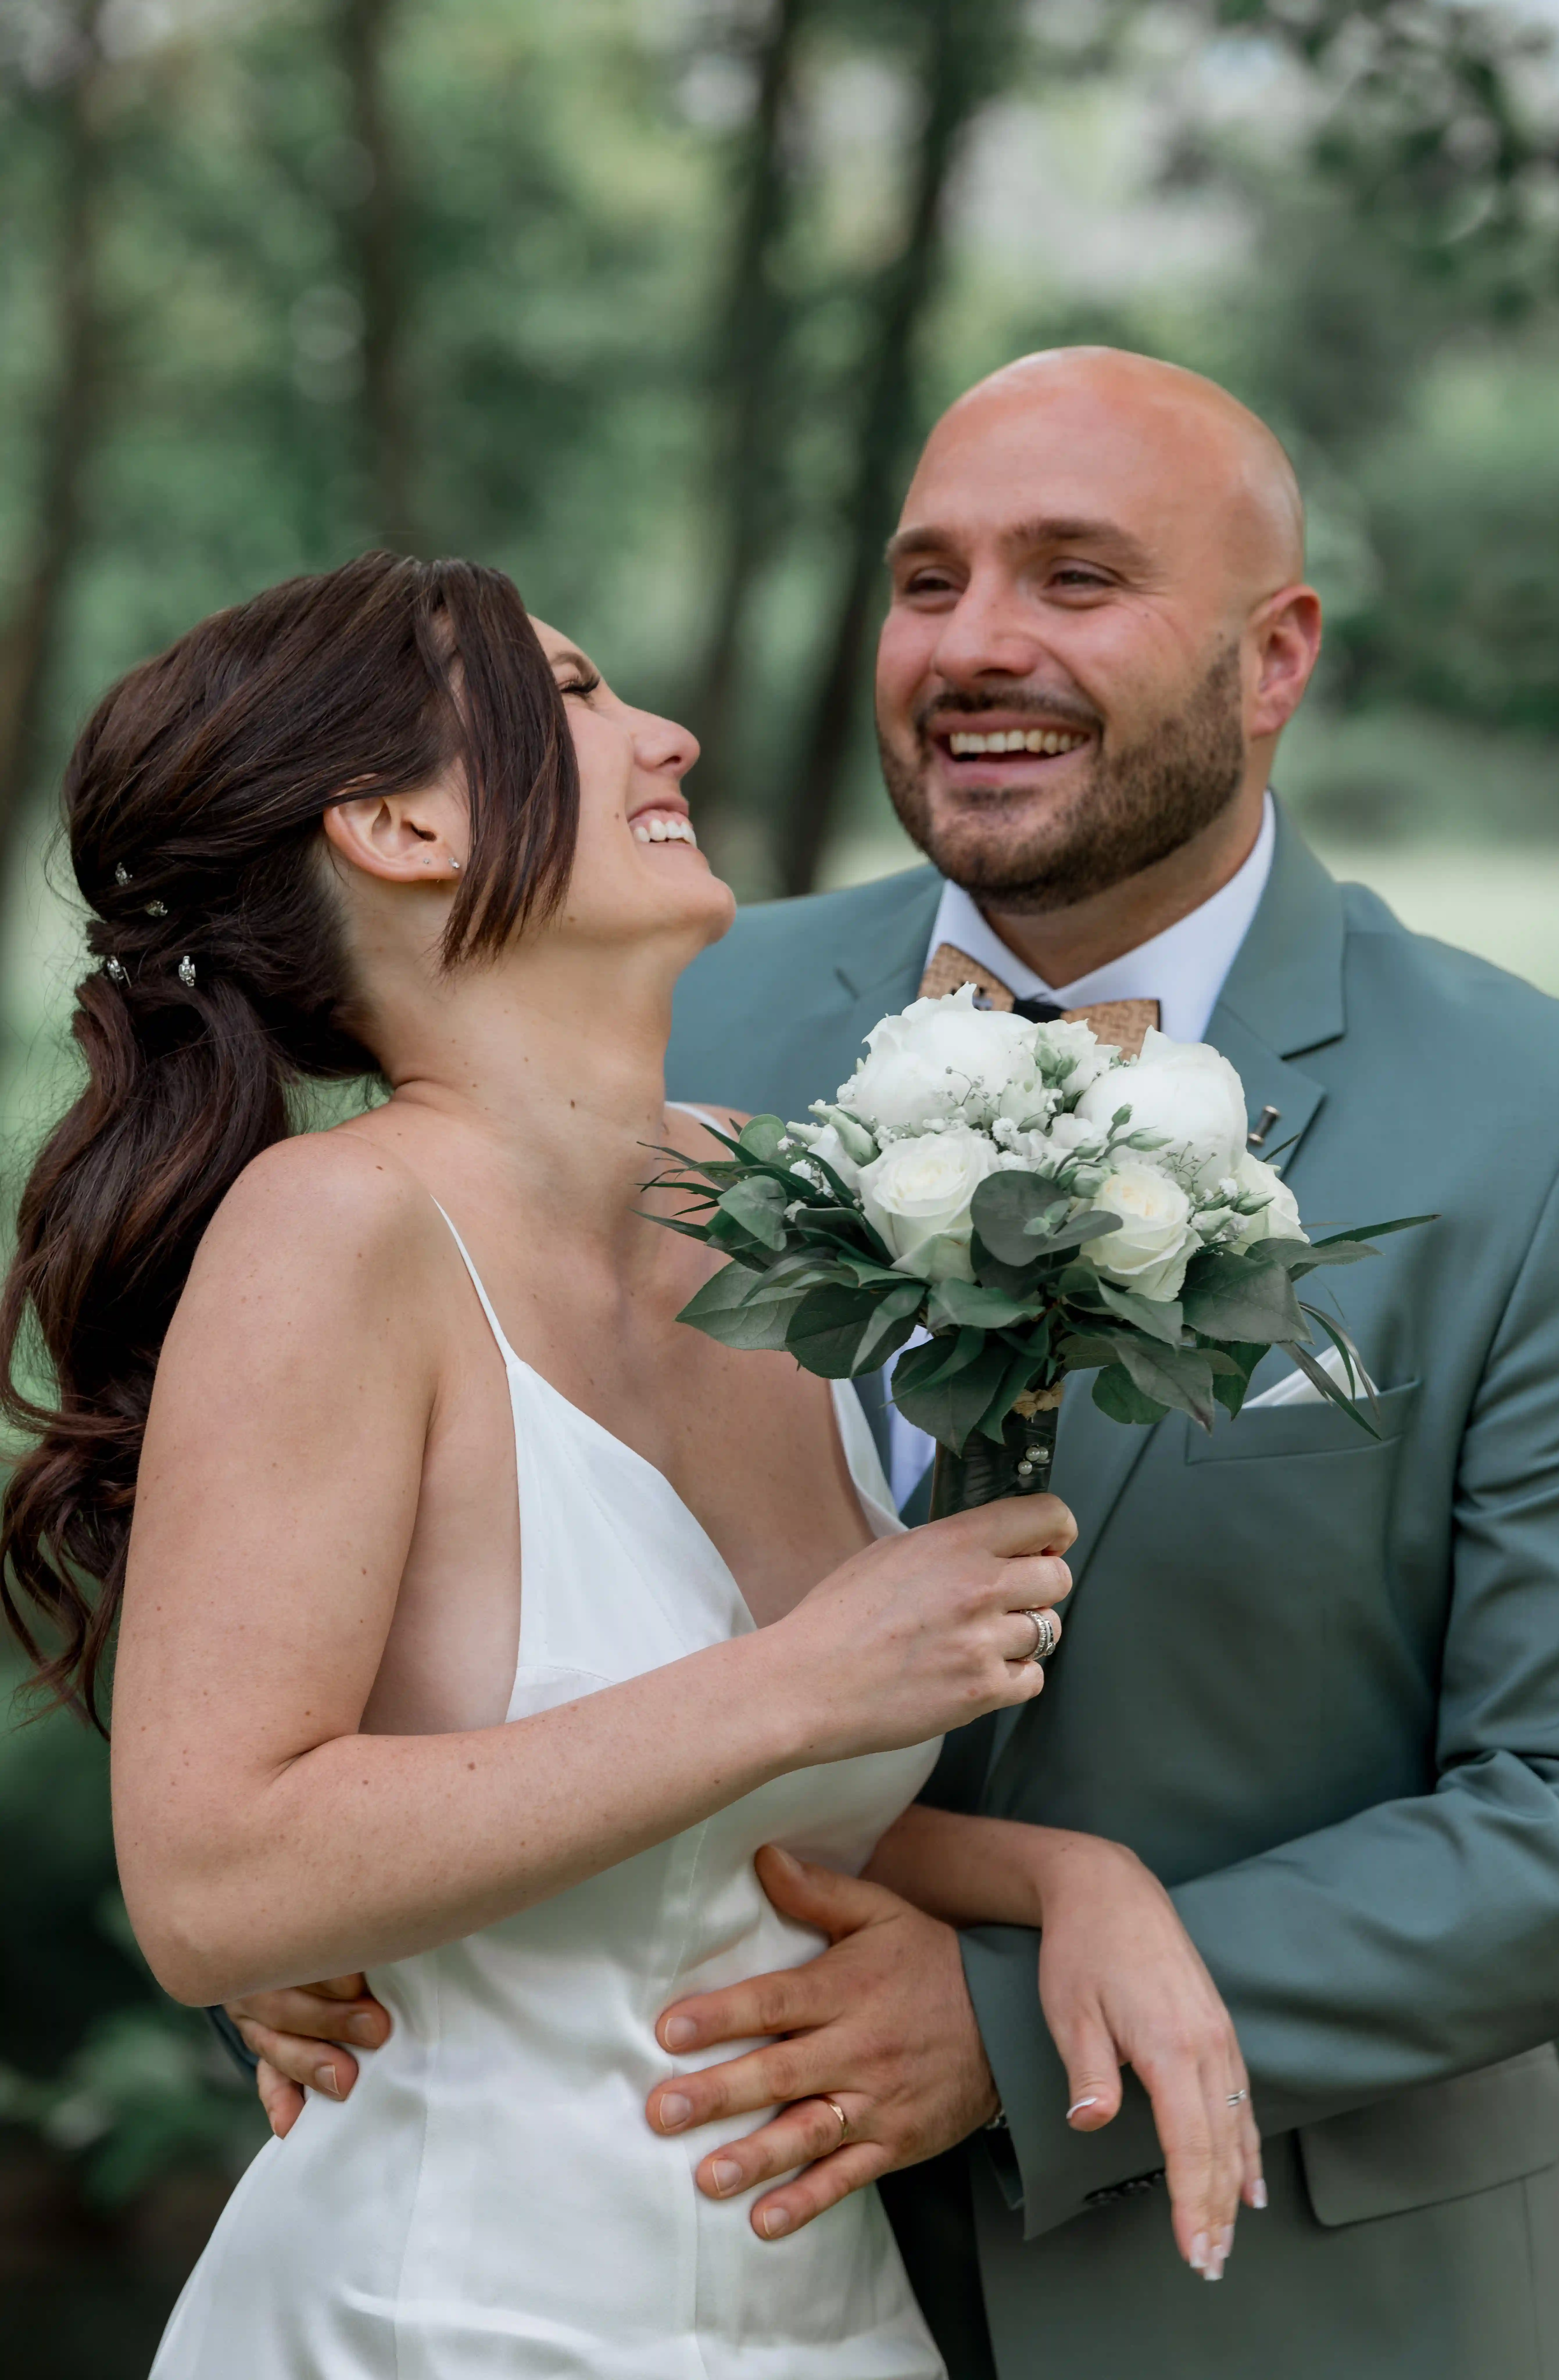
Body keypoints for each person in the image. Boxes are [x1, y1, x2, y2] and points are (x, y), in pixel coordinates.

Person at [239, 351, 1559, 2380]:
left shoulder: (1537, 1121)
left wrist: (997, 2017)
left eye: (1074, 579)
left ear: (1273, 655)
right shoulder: (664, 1011)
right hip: (642, 2242)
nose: (976, 649)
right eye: (926, 578)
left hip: (1279, 2290)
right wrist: (327, 1914)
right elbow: (369, 1585)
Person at [0, 549, 1256, 2379]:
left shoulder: (773, 1205)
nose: (662, 735)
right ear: (398, 826)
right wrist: (799, 1681)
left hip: (825, 2317)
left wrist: (1068, 1880)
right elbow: (214, 1887)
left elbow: (712, 1823)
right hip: (442, 2315)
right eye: (574, 697)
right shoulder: (331, 1234)